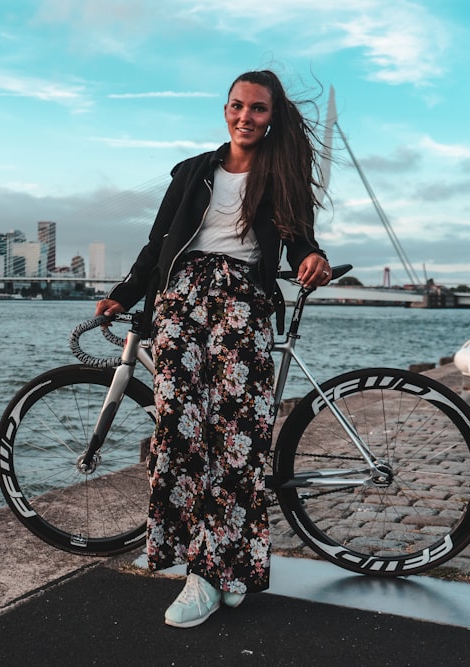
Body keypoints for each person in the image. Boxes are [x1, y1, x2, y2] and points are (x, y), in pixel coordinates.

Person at [95, 69, 331, 628]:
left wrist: (311, 256)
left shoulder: (283, 173)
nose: (245, 117)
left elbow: (299, 239)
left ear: (272, 117)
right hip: (182, 303)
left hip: (244, 302)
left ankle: (229, 567)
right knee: (182, 432)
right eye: (236, 106)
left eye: (257, 109)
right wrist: (125, 293)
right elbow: (159, 245)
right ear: (224, 110)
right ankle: (200, 573)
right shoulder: (193, 171)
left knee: (239, 439)